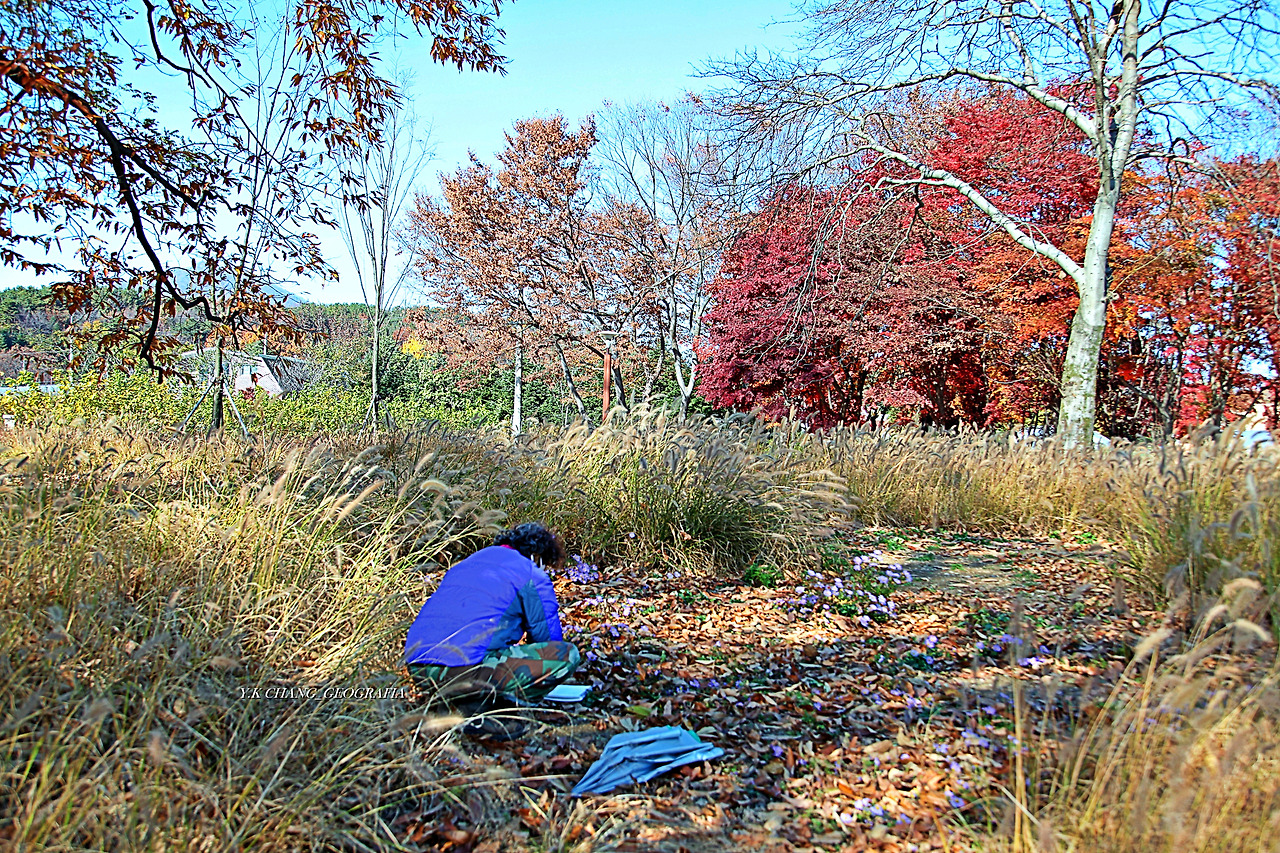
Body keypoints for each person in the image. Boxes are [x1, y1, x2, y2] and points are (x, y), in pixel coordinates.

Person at [405, 522, 581, 736]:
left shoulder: (465, 565)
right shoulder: (530, 573)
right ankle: (480, 709)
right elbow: (549, 640)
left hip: (419, 670)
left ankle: (452, 702)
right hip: (462, 671)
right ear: (537, 555)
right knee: (566, 655)